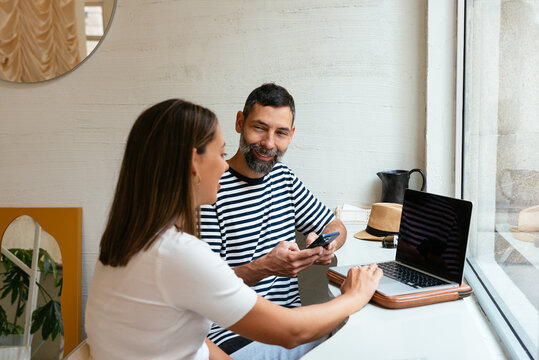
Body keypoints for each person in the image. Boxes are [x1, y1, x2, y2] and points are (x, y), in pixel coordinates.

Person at [85, 98, 382, 360]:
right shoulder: (177, 253)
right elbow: (290, 332)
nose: (224, 166)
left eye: (280, 132)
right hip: (249, 333)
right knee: (352, 331)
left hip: (253, 330)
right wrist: (355, 296)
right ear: (194, 162)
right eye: (219, 153)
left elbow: (190, 337)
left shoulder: (130, 240)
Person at [200, 83, 348, 358]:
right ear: (239, 123)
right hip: (233, 340)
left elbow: (336, 226)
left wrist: (330, 244)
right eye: (259, 128)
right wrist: (265, 267)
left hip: (287, 328)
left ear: (291, 135)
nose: (269, 143)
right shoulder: (210, 190)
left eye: (280, 133)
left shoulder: (284, 179)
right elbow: (208, 291)